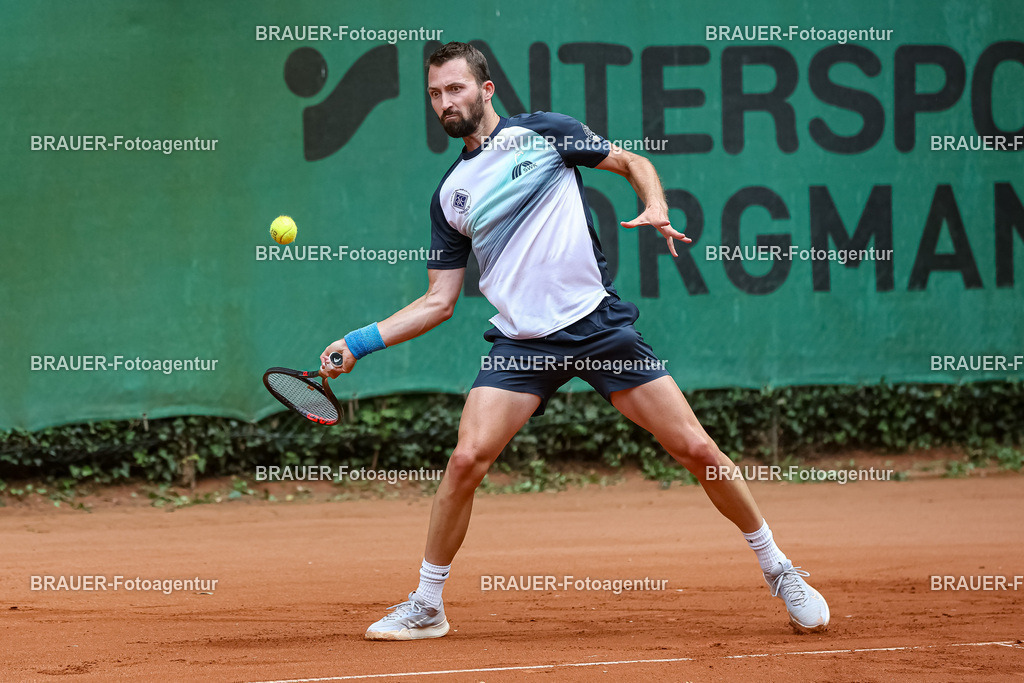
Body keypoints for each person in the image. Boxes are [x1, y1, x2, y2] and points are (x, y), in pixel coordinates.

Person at [320, 41, 829, 640]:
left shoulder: (546, 134)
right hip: (523, 344)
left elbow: (633, 162)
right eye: (434, 94)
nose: (444, 102)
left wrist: (656, 204)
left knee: (696, 448)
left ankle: (780, 569)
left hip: (597, 326)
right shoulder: (450, 194)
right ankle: (428, 605)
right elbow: (439, 301)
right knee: (464, 460)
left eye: (455, 88)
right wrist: (359, 341)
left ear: (485, 90)